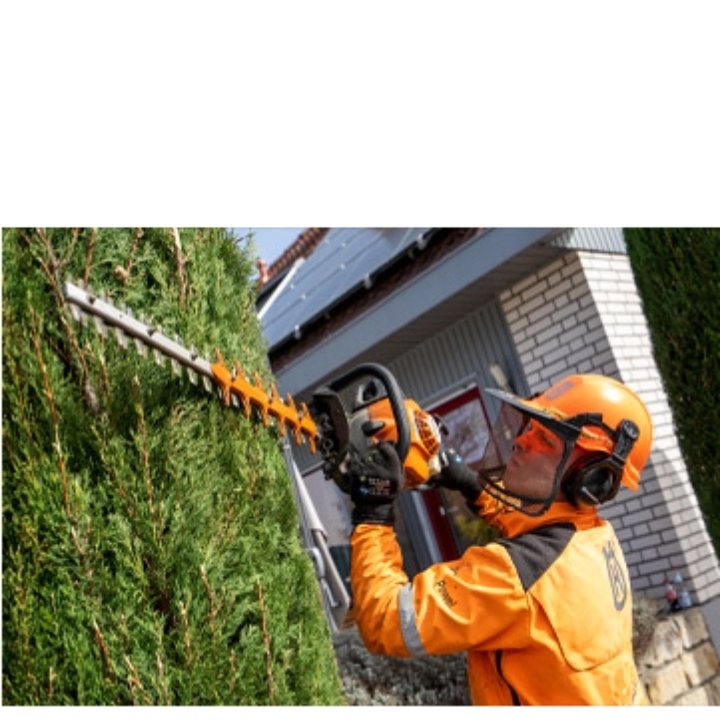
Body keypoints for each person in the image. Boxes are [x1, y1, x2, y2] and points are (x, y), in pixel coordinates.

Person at [346, 374, 653, 705]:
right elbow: (533, 526)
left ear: (591, 479)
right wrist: (469, 484)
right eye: (530, 427)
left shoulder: (514, 577)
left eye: (545, 440)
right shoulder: (593, 538)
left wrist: (373, 513)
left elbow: (387, 620)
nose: (521, 441)